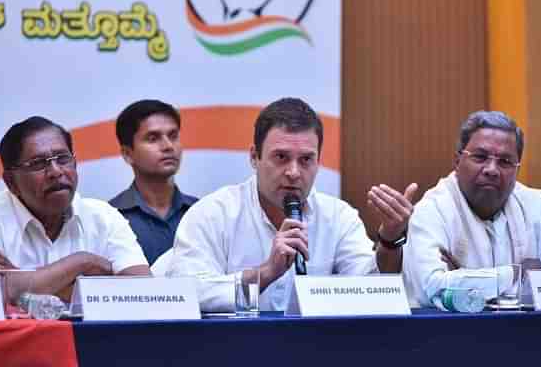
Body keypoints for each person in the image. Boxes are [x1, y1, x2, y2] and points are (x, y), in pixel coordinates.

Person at [152, 97, 417, 312]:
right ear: (254, 157)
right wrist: (265, 273)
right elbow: (187, 293)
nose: (293, 172)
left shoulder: (339, 217)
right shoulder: (213, 214)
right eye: (281, 157)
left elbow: (371, 292)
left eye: (306, 160)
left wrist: (390, 240)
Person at [404, 110, 541, 308]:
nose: (492, 169)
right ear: (457, 162)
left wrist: (463, 281)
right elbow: (430, 288)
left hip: (528, 333)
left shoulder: (539, 207)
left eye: (505, 161)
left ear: (517, 170)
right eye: (480, 157)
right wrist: (515, 274)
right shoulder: (432, 210)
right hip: (452, 335)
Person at [0, 116, 150, 303]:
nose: (56, 172)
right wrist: (83, 262)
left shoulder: (104, 216)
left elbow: (142, 292)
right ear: (11, 182)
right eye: (38, 163)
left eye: (63, 159)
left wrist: (24, 283)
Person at [109, 100, 198, 265]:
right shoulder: (110, 218)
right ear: (127, 154)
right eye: (153, 138)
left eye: (173, 136)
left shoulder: (203, 213)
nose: (168, 146)